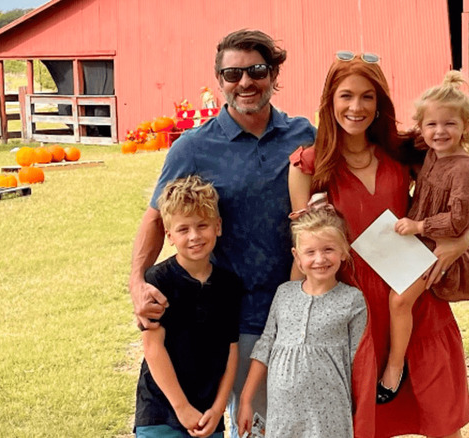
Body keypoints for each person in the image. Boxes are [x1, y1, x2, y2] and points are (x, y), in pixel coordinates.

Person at [128, 29, 317, 437]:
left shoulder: (303, 135)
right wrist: (136, 283)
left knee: (289, 423)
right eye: (233, 74)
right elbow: (155, 218)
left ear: (274, 74)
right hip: (228, 317)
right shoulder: (194, 147)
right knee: (249, 424)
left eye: (256, 70)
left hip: (294, 307)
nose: (245, 82)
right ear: (219, 81)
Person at [288, 52, 469, 438]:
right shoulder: (310, 165)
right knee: (362, 423)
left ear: (379, 103)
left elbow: (460, 193)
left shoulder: (404, 151)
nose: (356, 107)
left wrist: (461, 241)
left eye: (367, 96)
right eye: (346, 96)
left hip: (411, 292)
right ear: (330, 101)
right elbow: (304, 245)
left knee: (440, 415)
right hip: (354, 304)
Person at [380, 70, 469, 406]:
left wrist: (420, 226)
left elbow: (458, 219)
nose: (440, 131)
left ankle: (395, 368)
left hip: (432, 249)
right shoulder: (430, 156)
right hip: (416, 245)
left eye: (450, 124)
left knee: (399, 300)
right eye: (432, 125)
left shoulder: (464, 169)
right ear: (422, 129)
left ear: (465, 127)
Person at [237, 204, 367, 438]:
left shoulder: (352, 300)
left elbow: (359, 361)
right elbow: (265, 346)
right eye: (310, 252)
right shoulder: (284, 294)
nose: (320, 259)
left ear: (344, 251)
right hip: (283, 414)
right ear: (297, 256)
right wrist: (246, 400)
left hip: (330, 415)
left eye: (328, 249)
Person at [134, 176, 241, 438]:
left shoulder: (229, 284)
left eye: (202, 225)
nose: (194, 236)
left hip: (208, 417)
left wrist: (218, 410)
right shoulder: (157, 280)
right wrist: (181, 408)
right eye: (183, 230)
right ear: (169, 236)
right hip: (160, 413)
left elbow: (231, 351)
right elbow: (153, 347)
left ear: (218, 227)